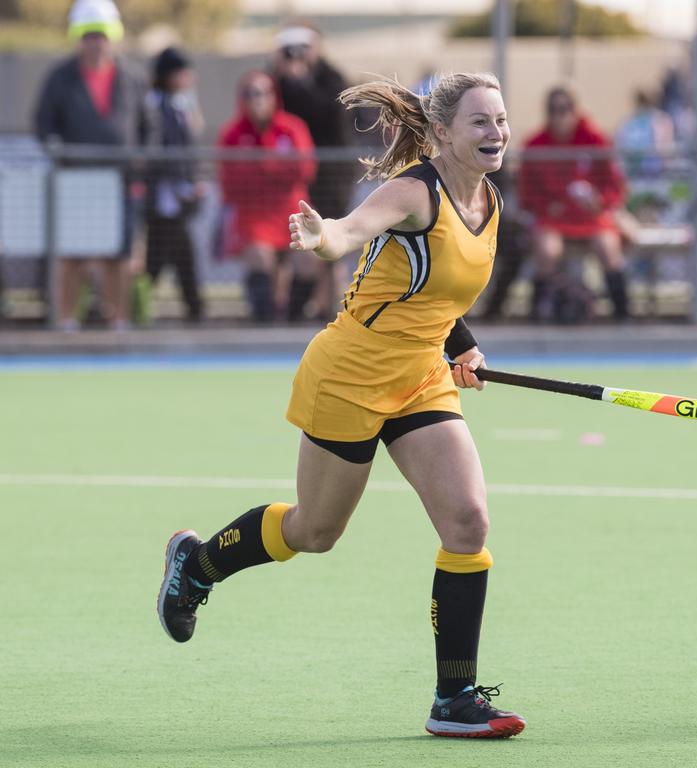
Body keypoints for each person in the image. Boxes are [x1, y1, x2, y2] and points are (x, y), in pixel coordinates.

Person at [158, 72, 526, 739]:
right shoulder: (414, 191)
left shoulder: (490, 201)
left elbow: (436, 295)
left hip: (419, 378)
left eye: (500, 119)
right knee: (314, 533)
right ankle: (198, 563)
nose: (495, 132)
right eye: (480, 121)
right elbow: (351, 231)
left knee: (468, 523)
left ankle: (454, 700)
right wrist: (320, 235)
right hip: (349, 377)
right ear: (442, 132)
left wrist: (464, 345)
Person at [33, 0, 147, 331]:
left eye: (101, 35)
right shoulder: (60, 78)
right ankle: (66, 320)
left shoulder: (132, 78)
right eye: (89, 35)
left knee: (119, 255)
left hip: (121, 183)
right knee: (73, 255)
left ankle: (119, 320)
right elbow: (43, 124)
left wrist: (143, 158)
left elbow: (148, 124)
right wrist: (59, 150)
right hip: (76, 182)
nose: (96, 42)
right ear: (78, 37)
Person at [517, 86, 630, 322]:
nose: (560, 116)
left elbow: (614, 186)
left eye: (565, 109)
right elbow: (526, 193)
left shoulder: (595, 139)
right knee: (548, 251)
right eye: (554, 110)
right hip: (554, 218)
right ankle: (538, 311)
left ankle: (622, 314)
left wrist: (599, 201)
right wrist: (547, 206)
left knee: (609, 249)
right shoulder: (535, 144)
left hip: (590, 217)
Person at [271, 21, 355, 321]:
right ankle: (291, 306)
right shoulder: (278, 80)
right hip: (296, 176)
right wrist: (285, 76)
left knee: (330, 241)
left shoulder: (332, 79)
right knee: (295, 242)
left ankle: (330, 307)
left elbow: (326, 114)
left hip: (332, 176)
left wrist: (302, 81)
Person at [217, 70, 316, 323]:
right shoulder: (232, 133)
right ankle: (264, 320)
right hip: (253, 214)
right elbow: (230, 181)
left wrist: (261, 166)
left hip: (289, 209)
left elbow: (304, 169)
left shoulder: (292, 128)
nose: (257, 99)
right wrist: (275, 167)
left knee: (309, 259)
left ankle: (293, 318)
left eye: (262, 93)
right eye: (250, 94)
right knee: (260, 257)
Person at [142, 47, 205, 323]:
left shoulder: (181, 104)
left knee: (161, 256)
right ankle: (194, 308)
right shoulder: (155, 105)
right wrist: (183, 186)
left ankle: (139, 306)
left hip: (175, 198)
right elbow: (162, 151)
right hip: (163, 197)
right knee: (175, 254)